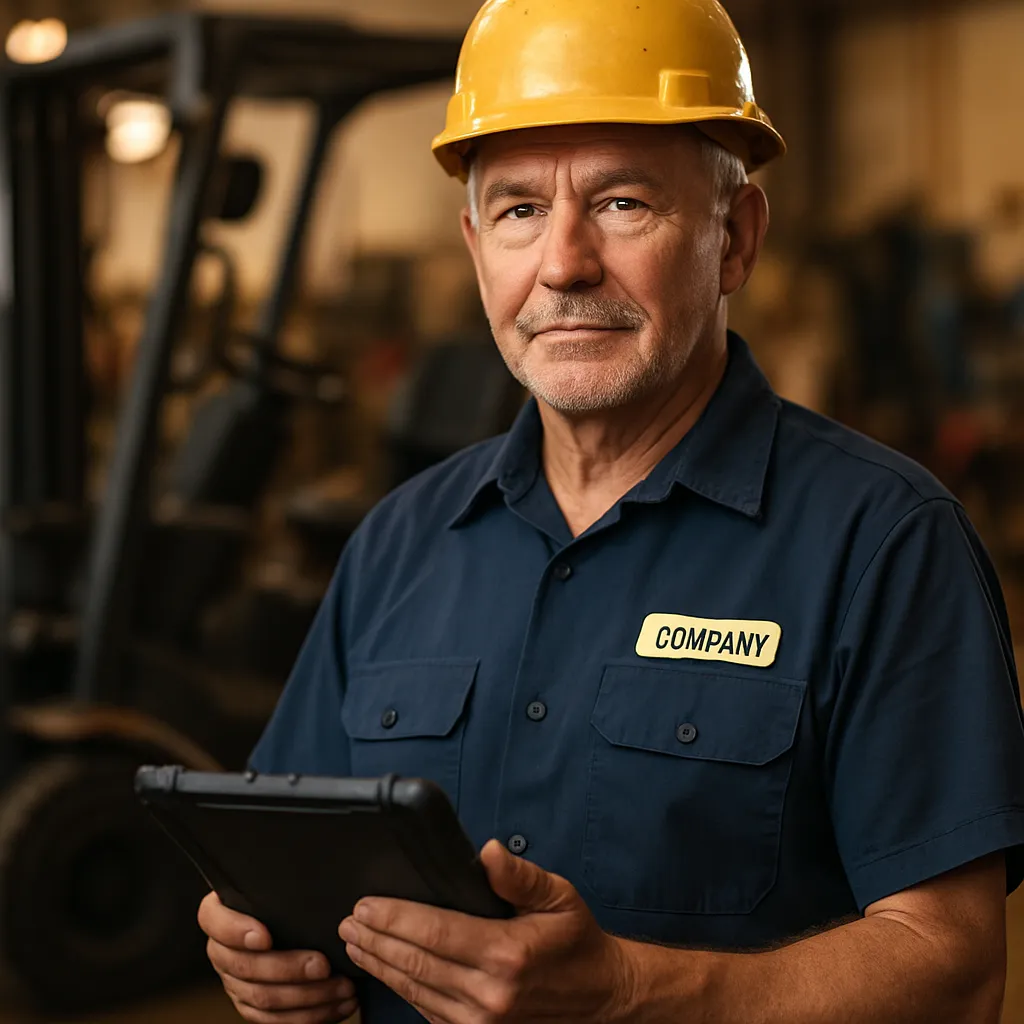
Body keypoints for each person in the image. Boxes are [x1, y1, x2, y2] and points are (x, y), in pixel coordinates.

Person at [198, 1, 1024, 1021]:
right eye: (516, 212)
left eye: (623, 203)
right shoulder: (398, 544)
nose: (562, 265)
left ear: (735, 238)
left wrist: (630, 992)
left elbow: (951, 970)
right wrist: (267, 955)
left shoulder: (883, 543)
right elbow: (291, 856)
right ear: (474, 246)